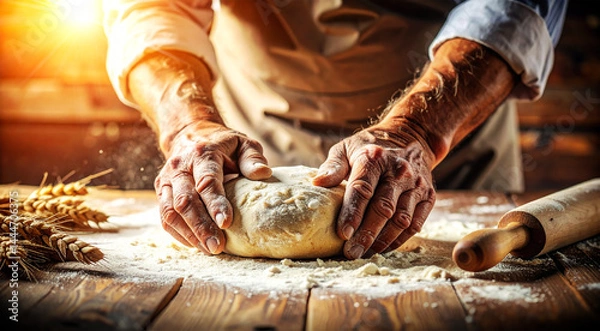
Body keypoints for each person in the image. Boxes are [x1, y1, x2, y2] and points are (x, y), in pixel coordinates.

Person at [103, 0, 567, 259]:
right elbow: (152, 9)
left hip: (448, 132)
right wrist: (189, 125)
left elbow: (513, 7)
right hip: (258, 139)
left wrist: (418, 132)